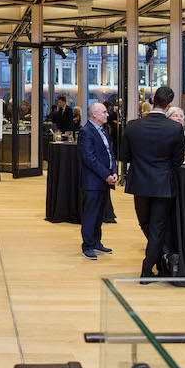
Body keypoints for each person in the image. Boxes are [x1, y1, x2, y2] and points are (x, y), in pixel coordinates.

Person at [120, 86, 185, 281]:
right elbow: (178, 161)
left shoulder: (133, 126)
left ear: (153, 99)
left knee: (145, 224)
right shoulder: (175, 129)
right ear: (170, 104)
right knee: (156, 227)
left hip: (140, 182)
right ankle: (155, 261)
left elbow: (124, 156)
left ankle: (150, 265)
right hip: (163, 184)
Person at [78, 103, 117, 260]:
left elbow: (110, 153)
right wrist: (106, 175)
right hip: (93, 181)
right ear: (94, 115)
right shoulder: (85, 132)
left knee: (100, 213)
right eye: (104, 112)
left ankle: (96, 242)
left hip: (104, 180)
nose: (107, 115)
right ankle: (87, 245)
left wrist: (114, 172)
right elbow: (89, 158)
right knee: (91, 214)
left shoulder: (103, 131)